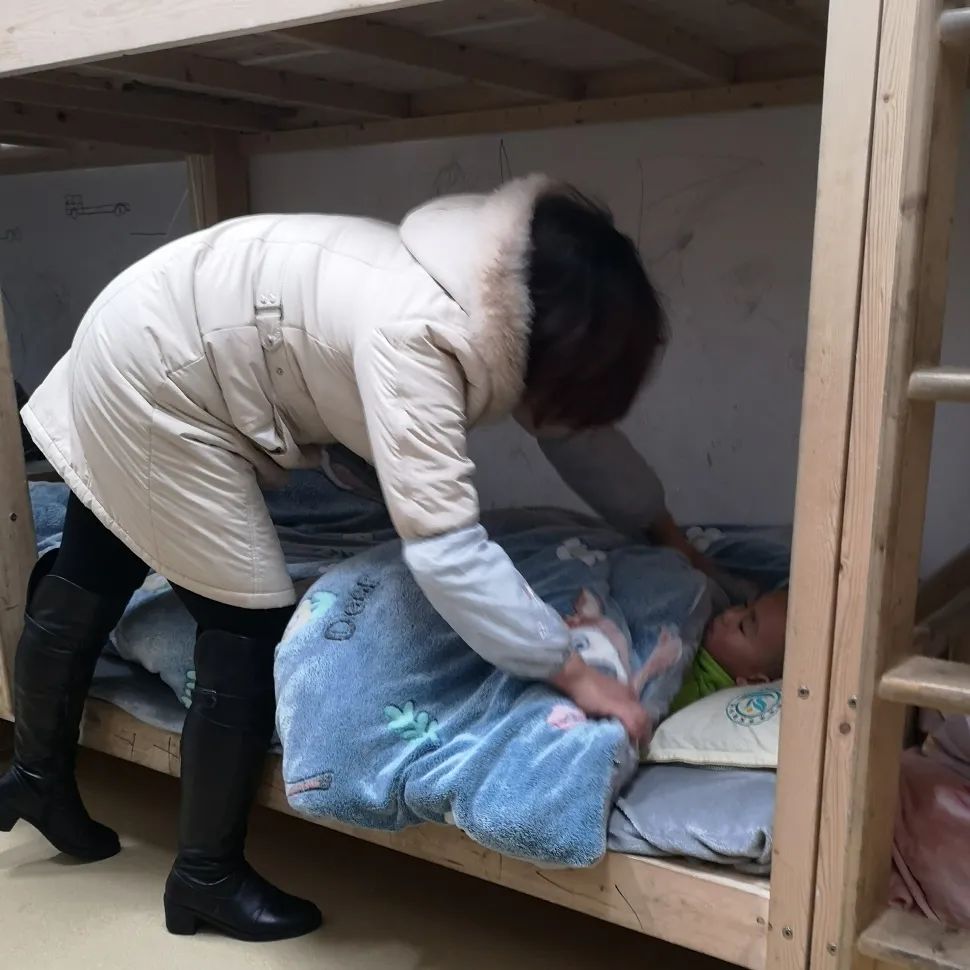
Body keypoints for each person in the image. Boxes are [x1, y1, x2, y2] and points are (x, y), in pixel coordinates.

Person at [1, 174, 701, 942]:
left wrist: (668, 536)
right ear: (555, 347)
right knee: (244, 622)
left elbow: (578, 435)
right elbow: (447, 550)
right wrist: (571, 669)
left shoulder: (493, 278)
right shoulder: (419, 334)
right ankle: (205, 877)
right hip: (162, 374)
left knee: (95, 567)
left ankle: (36, 780)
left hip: (145, 326)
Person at [670, 588, 789, 713]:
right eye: (744, 605)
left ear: (754, 681)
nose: (729, 614)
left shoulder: (699, 702)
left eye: (743, 627)